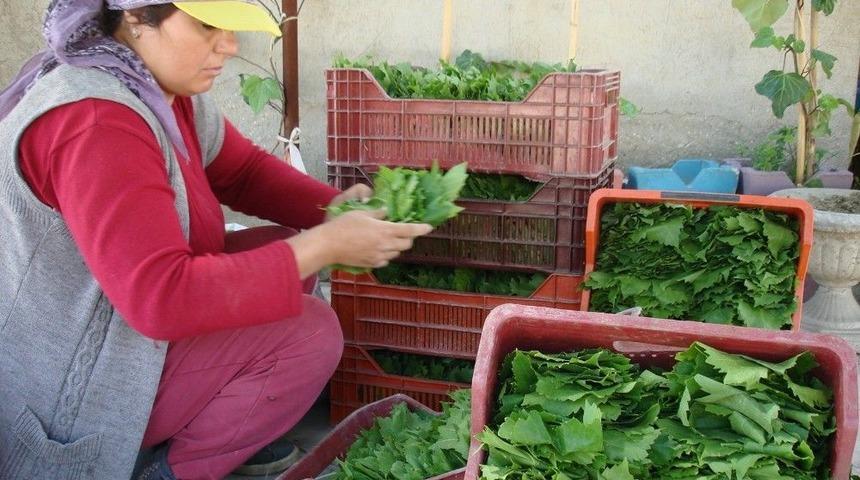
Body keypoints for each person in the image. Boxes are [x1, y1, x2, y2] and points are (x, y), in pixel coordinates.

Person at [0, 1, 432, 479]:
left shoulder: (157, 85)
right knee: (309, 332)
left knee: (283, 258)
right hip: (75, 389)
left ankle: (207, 429)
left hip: (127, 329)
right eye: (208, 25)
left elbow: (241, 172)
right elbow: (161, 298)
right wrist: (325, 245)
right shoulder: (95, 121)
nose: (229, 45)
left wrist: (336, 210)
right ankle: (164, 470)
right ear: (137, 18)